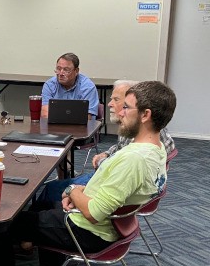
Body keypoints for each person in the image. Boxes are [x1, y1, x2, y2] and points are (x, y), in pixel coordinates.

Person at [0, 81, 175, 266]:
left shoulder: (133, 159)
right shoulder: (156, 149)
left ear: (145, 115)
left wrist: (73, 190)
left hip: (88, 231)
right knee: (45, 207)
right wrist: (79, 193)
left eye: (126, 107)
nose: (120, 112)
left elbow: (93, 213)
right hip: (108, 224)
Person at [37, 80, 175, 202]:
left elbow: (122, 165)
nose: (109, 104)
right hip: (112, 179)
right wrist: (107, 154)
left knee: (50, 190)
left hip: (109, 182)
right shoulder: (132, 128)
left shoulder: (145, 134)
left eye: (117, 100)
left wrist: (102, 161)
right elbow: (122, 147)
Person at [41, 52, 100, 119]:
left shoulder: (88, 87)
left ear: (76, 71)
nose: (61, 73)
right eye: (58, 69)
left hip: (79, 125)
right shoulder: (49, 85)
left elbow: (87, 118)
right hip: (54, 125)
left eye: (66, 70)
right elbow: (45, 114)